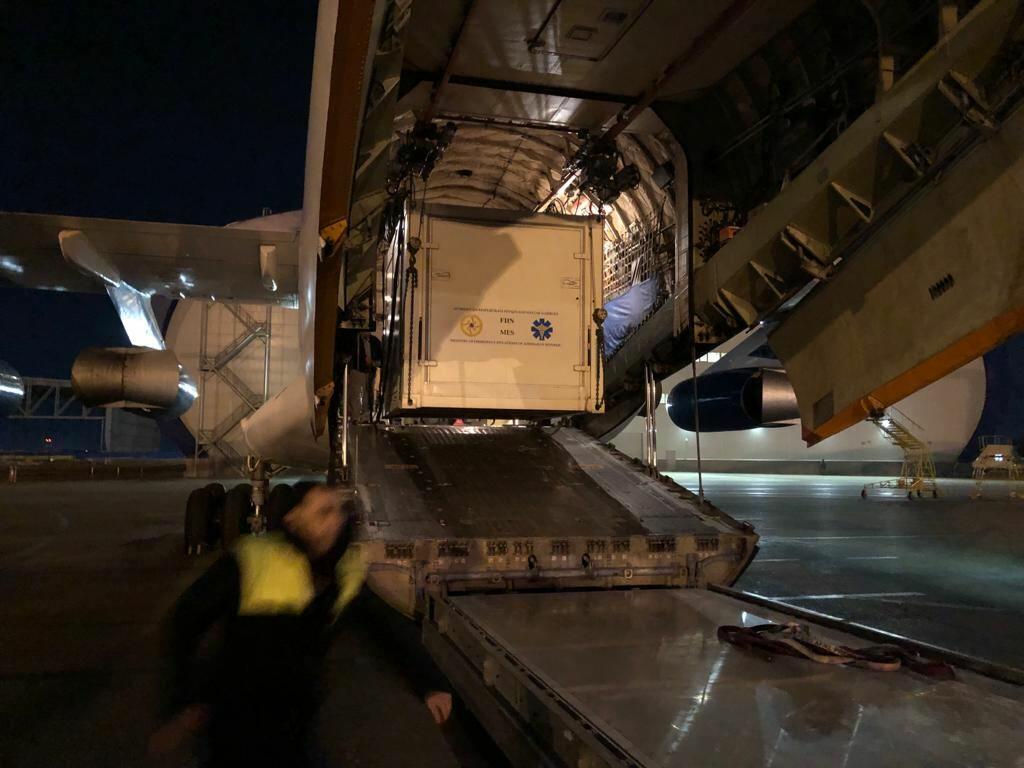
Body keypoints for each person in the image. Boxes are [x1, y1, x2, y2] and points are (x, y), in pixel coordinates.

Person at [150, 484, 452, 767]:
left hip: (296, 716)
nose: (335, 520)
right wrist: (184, 700)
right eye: (322, 512)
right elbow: (186, 620)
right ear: (293, 519)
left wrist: (430, 683)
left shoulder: (344, 571)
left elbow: (387, 628)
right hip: (236, 715)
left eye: (337, 511)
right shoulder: (252, 558)